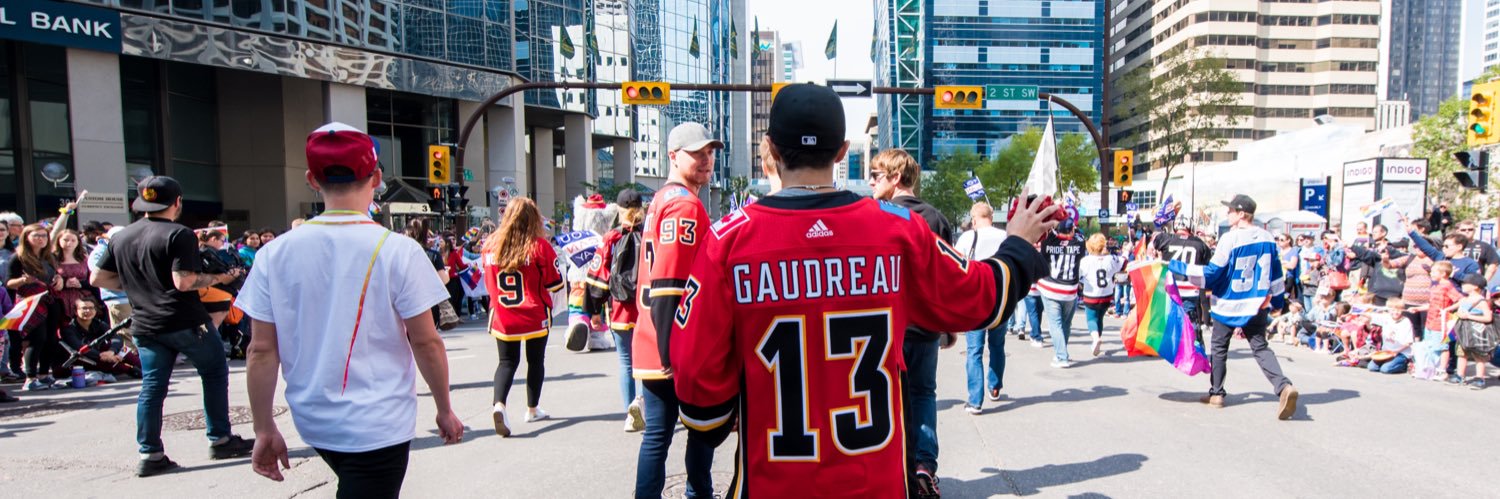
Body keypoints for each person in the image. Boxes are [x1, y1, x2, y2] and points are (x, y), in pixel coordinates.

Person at [670, 83, 1055, 498]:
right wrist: (1016, 243)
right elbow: (983, 296)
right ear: (842, 151)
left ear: (771, 150)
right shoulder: (899, 230)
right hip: (876, 484)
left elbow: (698, 392)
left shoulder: (728, 240)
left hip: (776, 483)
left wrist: (721, 413)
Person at [240, 123, 462, 497]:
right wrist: (443, 407)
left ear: (312, 179)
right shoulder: (399, 250)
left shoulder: (272, 254)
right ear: (376, 177)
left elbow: (260, 350)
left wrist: (264, 427)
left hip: (315, 420)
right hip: (380, 423)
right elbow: (426, 342)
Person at [92, 175, 254, 476]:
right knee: (215, 371)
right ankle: (220, 438)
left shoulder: (121, 236)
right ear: (177, 202)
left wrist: (139, 285)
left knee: (152, 387)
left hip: (145, 323)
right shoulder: (180, 234)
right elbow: (184, 282)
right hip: (184, 320)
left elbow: (98, 279)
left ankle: (150, 453)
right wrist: (220, 279)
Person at [632, 122, 730, 499]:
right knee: (697, 428)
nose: (706, 159)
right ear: (673, 156)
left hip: (656, 335)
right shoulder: (685, 204)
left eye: (709, 152)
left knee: (658, 433)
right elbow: (669, 284)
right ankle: (698, 494)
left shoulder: (663, 199)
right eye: (697, 153)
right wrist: (671, 349)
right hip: (674, 339)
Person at [1171, 194, 1299, 420]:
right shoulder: (1268, 238)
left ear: (1241, 214)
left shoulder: (1229, 239)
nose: (1227, 214)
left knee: (1219, 348)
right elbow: (1276, 275)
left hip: (1228, 303)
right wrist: (1279, 302)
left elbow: (1212, 272)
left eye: (1230, 211)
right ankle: (1283, 386)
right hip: (1257, 303)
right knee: (1260, 347)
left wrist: (1176, 266)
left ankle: (1217, 393)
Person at [869, 147, 952, 489]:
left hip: (888, 327)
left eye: (876, 175)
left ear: (895, 178)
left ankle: (890, 468)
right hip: (927, 326)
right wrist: (946, 324)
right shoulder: (937, 219)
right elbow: (947, 276)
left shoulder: (875, 216)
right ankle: (924, 465)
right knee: (923, 394)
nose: (871, 181)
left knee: (883, 398)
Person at [481, 197, 563, 436]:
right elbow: (555, 283)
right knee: (535, 361)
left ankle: (499, 405)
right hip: (534, 312)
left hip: (503, 315)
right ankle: (532, 408)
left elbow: (487, 284)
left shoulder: (490, 245)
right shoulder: (539, 246)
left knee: (506, 362)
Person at [584, 188, 647, 432]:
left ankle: (630, 414)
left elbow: (598, 277)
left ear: (619, 211)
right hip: (646, 307)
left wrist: (595, 311)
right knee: (645, 364)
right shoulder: (650, 234)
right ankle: (642, 404)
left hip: (620, 309)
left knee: (625, 362)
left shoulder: (610, 237)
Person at [953, 201, 1009, 414]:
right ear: (991, 218)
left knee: (974, 351)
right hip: (1001, 299)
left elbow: (955, 265)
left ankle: (975, 400)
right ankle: (994, 386)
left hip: (976, 300)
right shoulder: (1004, 237)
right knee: (997, 346)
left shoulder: (968, 237)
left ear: (974, 218)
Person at [7, 223, 65, 391]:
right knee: (37, 339)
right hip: (31, 301)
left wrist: (60, 279)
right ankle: (31, 377)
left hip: (50, 299)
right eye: (36, 236)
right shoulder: (18, 257)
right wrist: (23, 280)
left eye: (44, 236)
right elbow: (9, 283)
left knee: (52, 339)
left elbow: (55, 275)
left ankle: (44, 375)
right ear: (27, 238)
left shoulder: (49, 257)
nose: (41, 239)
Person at [1038, 217, 1085, 367]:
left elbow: (1045, 231)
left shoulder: (1048, 242)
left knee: (1055, 324)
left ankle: (1061, 356)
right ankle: (1062, 352)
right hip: (1070, 290)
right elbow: (1079, 234)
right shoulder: (1079, 243)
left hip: (1051, 288)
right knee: (1066, 324)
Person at [58, 297, 140, 379]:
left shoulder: (98, 324)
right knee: (112, 363)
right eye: (84, 308)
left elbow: (116, 337)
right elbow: (79, 347)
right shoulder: (69, 329)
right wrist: (103, 356)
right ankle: (131, 370)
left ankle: (143, 367)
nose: (88, 311)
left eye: (91, 308)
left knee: (123, 349)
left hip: (104, 356)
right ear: (76, 311)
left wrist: (112, 351)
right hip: (83, 360)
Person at [1155, 222, 1212, 333]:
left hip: (1170, 288)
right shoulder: (1199, 243)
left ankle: (1172, 348)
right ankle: (1191, 347)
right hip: (1190, 288)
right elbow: (1206, 263)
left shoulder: (1166, 238)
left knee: (1169, 321)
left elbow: (1155, 242)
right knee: (1189, 325)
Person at [89, 226, 132, 352]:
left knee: (133, 333)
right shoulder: (100, 252)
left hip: (131, 297)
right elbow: (99, 275)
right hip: (117, 298)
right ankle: (130, 362)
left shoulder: (123, 249)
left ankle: (135, 361)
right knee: (125, 333)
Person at [1080, 233, 1124, 357]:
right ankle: (1098, 337)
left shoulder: (1085, 261)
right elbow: (1124, 262)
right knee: (1100, 318)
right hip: (1106, 295)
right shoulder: (1111, 258)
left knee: (1091, 319)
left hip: (1091, 295)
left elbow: (1078, 276)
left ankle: (1095, 338)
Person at [1450, 274, 1494, 389]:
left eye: (1465, 283)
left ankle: (1479, 378)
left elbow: (1488, 318)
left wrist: (1469, 316)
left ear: (1475, 286)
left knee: (1479, 355)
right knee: (1461, 353)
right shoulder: (1464, 299)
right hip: (1463, 331)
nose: (1462, 285)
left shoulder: (1481, 301)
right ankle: (1460, 376)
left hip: (1477, 331)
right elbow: (1457, 310)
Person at [1364, 299, 1414, 374]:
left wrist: (1396, 351)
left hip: (1400, 353)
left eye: (1398, 310)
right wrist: (1360, 309)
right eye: (1393, 310)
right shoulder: (1386, 318)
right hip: (1386, 352)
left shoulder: (1406, 322)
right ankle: (1387, 362)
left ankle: (1404, 365)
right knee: (1372, 367)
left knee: (1385, 369)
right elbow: (1369, 315)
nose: (1396, 312)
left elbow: (1409, 342)